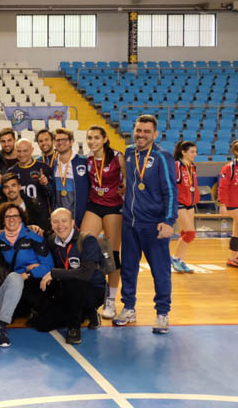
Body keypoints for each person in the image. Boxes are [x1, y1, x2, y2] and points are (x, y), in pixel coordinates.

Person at [114, 115, 177, 334]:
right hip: (130, 222)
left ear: (155, 134)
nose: (141, 135)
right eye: (138, 130)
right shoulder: (129, 152)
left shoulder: (162, 157)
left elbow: (170, 191)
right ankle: (129, 307)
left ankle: (162, 313)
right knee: (128, 269)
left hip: (154, 225)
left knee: (160, 271)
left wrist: (169, 221)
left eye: (146, 132)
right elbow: (130, 181)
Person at [37, 208, 106, 344]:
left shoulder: (87, 240)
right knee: (42, 325)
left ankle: (75, 328)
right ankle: (85, 314)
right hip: (68, 291)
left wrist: (54, 273)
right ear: (51, 224)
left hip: (93, 290)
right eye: (55, 222)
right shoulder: (52, 240)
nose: (60, 225)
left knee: (74, 279)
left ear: (72, 222)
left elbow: (85, 274)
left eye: (64, 221)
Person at [80, 125, 125, 319]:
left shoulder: (117, 156)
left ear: (105, 139)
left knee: (112, 255)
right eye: (90, 138)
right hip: (94, 205)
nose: (92, 141)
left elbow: (128, 180)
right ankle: (89, 291)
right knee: (82, 244)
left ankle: (111, 300)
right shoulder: (87, 159)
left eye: (96, 138)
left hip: (113, 207)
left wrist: (124, 190)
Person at [0, 202, 52, 319]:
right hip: (15, 281)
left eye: (15, 216)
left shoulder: (34, 236)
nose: (11, 219)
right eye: (8, 216)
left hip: (34, 279)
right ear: (3, 220)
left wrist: (27, 274)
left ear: (21, 219)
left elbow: (48, 266)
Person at [52, 128, 90, 228]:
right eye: (57, 140)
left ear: (72, 142)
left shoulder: (83, 162)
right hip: (58, 220)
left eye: (64, 139)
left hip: (79, 217)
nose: (61, 142)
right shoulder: (52, 165)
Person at [171, 141, 199, 273]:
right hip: (179, 203)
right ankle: (175, 258)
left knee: (185, 233)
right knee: (190, 233)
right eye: (192, 152)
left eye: (195, 151)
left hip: (190, 203)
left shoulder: (192, 167)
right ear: (183, 152)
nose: (195, 154)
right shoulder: (176, 166)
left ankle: (180, 260)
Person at [8, 138, 53, 215]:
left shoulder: (43, 167)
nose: (22, 154)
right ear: (15, 151)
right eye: (19, 151)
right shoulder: (11, 172)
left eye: (25, 151)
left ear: (32, 150)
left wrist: (45, 185)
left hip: (41, 216)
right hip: (20, 216)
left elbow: (52, 195)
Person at [218, 140, 238, 268]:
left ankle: (233, 257)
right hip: (232, 204)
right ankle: (233, 257)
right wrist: (222, 204)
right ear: (236, 152)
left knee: (236, 231)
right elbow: (222, 187)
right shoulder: (229, 167)